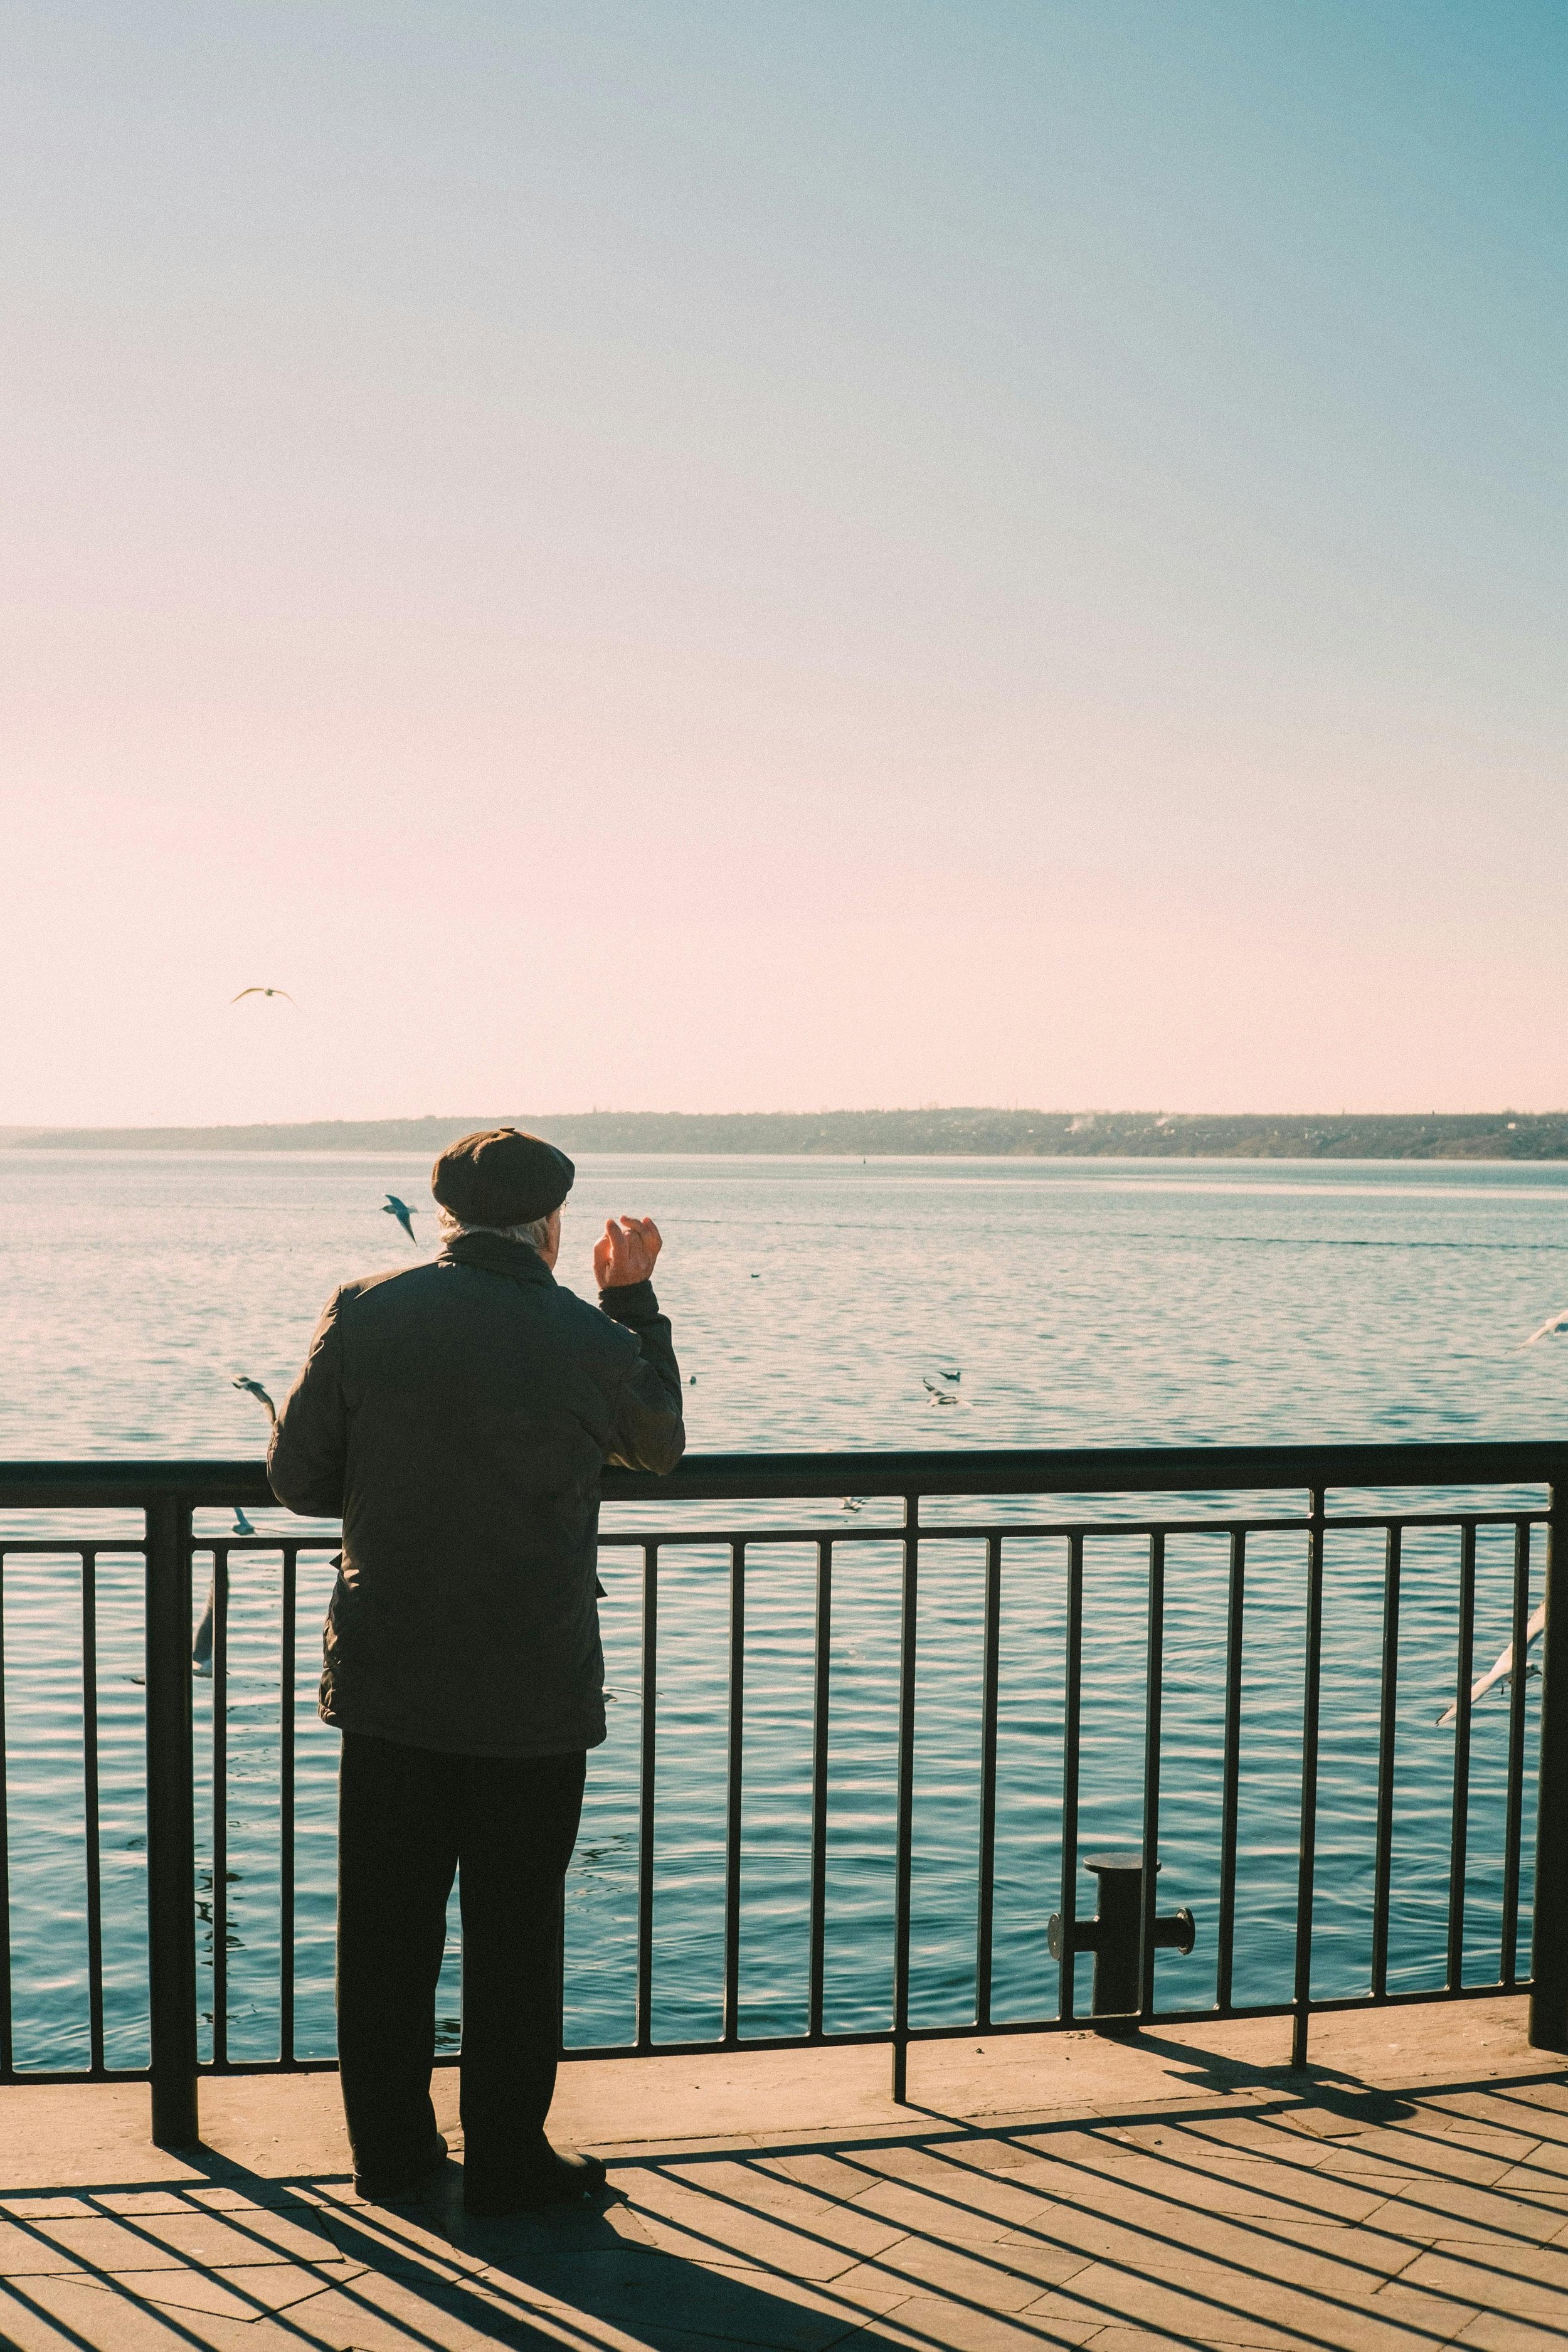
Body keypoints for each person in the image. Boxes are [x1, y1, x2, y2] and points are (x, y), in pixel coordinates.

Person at [267, 1126, 684, 2213]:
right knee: (516, 1924)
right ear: (551, 1225)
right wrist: (632, 1302)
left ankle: (392, 2154)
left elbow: (299, 1476)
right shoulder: (585, 1335)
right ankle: (508, 2155)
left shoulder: (366, 1308)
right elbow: (660, 1445)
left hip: (393, 1668)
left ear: (445, 1217)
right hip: (531, 1683)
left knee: (388, 1924)